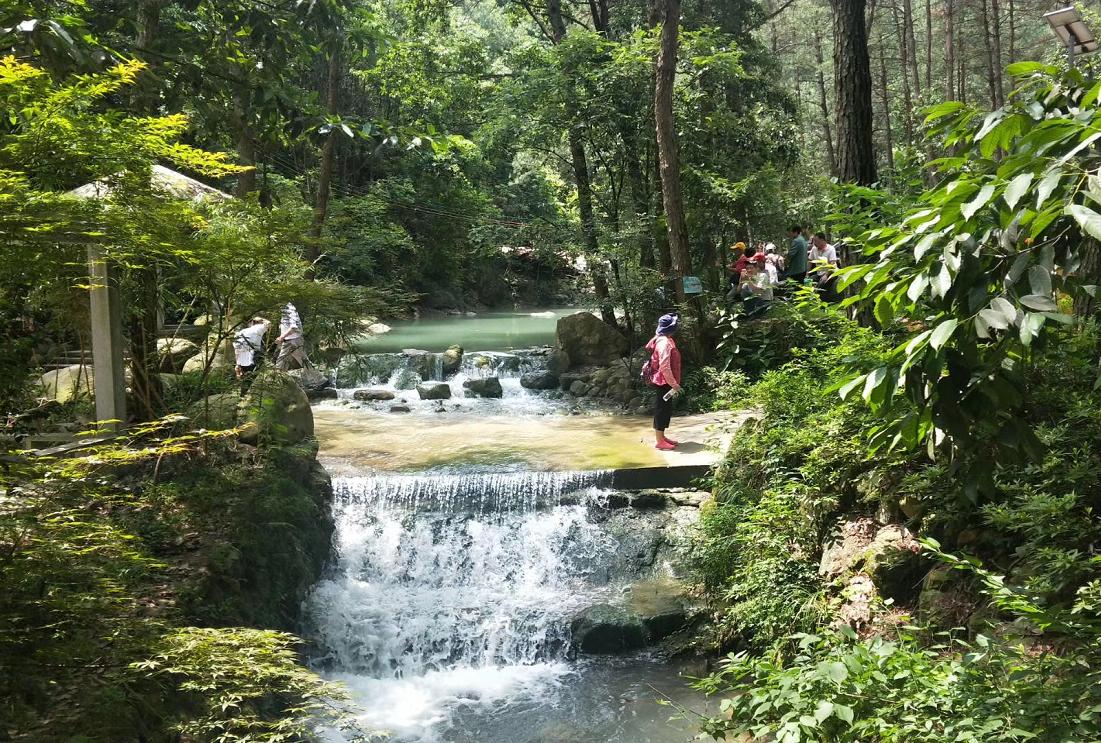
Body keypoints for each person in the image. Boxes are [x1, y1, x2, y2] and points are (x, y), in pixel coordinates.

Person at [645, 313, 682, 451]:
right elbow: (664, 365)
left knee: (665, 409)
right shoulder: (664, 342)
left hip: (665, 380)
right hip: (663, 381)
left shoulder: (663, 339)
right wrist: (674, 384)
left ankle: (662, 437)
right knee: (661, 409)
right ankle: (659, 441)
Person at [233, 316, 270, 391]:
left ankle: (243, 395)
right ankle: (252, 395)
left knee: (245, 377)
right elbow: (268, 323)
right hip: (253, 356)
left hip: (242, 358)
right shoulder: (257, 328)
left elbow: (236, 350)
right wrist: (261, 319)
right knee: (255, 375)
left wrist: (237, 364)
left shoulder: (239, 333)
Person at [275, 302, 306, 370]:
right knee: (302, 361)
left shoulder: (289, 309)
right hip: (290, 340)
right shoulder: (284, 308)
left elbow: (293, 328)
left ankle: (275, 378)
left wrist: (281, 337)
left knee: (281, 362)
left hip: (293, 340)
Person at [809, 232, 840, 300]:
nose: (814, 243)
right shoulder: (814, 249)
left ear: (822, 240)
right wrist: (807, 273)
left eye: (816, 241)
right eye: (814, 241)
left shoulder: (831, 249)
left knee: (822, 283)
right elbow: (810, 261)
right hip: (819, 273)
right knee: (810, 280)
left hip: (831, 272)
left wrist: (826, 275)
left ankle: (821, 300)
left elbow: (832, 264)